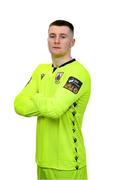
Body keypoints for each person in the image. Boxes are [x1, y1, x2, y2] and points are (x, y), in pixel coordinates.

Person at [14, 20, 91, 180]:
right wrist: (47, 101)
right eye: (52, 36)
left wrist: (35, 96)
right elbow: (19, 105)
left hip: (67, 163)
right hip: (43, 160)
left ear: (72, 42)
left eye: (63, 36)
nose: (56, 41)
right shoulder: (40, 70)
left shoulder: (78, 73)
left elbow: (55, 110)